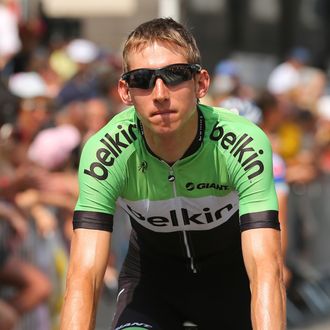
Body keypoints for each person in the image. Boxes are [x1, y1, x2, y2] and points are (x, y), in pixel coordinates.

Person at [60, 18, 286, 330]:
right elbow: (84, 274)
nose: (160, 93)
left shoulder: (242, 143)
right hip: (152, 288)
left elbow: (265, 269)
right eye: (142, 79)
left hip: (230, 286)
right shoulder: (105, 151)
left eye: (175, 75)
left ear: (201, 84)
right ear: (125, 91)